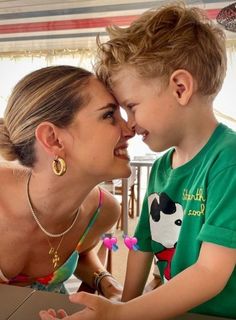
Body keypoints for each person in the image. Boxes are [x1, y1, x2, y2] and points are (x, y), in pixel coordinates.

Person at [39, 2, 236, 320]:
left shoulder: (228, 160)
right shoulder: (162, 167)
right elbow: (143, 245)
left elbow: (211, 273)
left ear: (180, 88)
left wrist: (122, 315)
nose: (128, 126)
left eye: (131, 106)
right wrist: (118, 307)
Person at [0, 65, 135, 299]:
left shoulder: (104, 211)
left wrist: (107, 283)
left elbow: (80, 253)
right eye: (108, 115)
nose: (129, 128)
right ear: (53, 139)